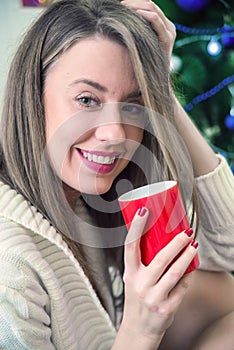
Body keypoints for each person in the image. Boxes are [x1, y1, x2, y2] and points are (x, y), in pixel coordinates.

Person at [0, 0, 234, 349]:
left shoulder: (84, 201)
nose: (116, 134)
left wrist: (160, 85)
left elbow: (227, 246)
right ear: (32, 95)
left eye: (132, 103)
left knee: (220, 291)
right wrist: (142, 327)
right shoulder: (11, 271)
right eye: (87, 100)